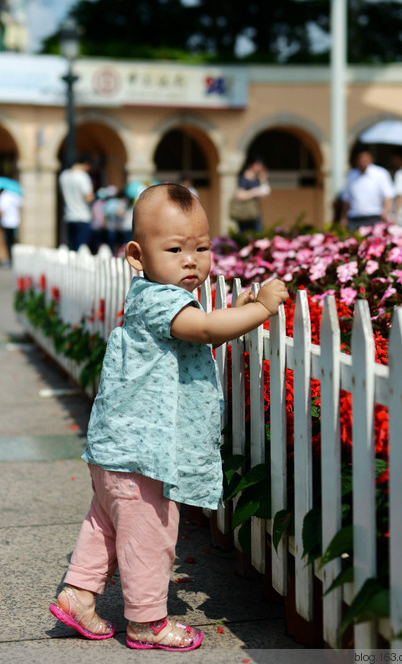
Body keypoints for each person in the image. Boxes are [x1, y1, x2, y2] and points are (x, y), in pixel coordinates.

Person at [49, 182, 289, 652]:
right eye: (175, 248)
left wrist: (230, 313)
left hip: (116, 449)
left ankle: (78, 594)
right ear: (137, 256)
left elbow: (198, 334)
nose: (191, 261)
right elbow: (200, 328)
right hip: (143, 455)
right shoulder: (159, 299)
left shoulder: (155, 298)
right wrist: (260, 307)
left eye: (202, 248)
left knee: (107, 525)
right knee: (151, 536)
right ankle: (146, 621)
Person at [339, 145, 395, 232]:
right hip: (354, 220)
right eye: (360, 159)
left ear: (370, 158)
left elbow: (388, 195)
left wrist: (386, 212)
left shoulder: (380, 173)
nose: (363, 162)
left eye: (365, 159)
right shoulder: (351, 175)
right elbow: (347, 199)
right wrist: (343, 218)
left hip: (374, 218)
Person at [59, 154, 95, 251]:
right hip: (82, 216)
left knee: (72, 246)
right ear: (86, 164)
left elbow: (63, 194)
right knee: (82, 248)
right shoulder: (83, 176)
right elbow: (88, 198)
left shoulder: (64, 176)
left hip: (69, 215)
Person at [231, 157, 270, 233]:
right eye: (259, 164)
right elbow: (240, 195)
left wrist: (263, 179)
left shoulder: (255, 178)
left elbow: (265, 194)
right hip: (246, 214)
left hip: (254, 213)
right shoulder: (244, 178)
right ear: (253, 164)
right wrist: (255, 192)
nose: (261, 167)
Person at [0, 186, 23, 265]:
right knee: (13, 241)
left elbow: (2, 210)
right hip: (15, 222)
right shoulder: (14, 196)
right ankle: (14, 258)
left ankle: (10, 258)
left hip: (7, 222)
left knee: (8, 241)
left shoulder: (4, 197)